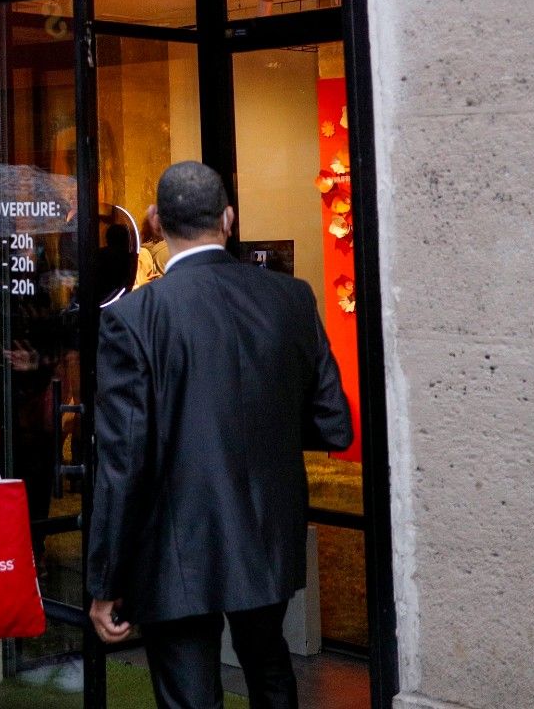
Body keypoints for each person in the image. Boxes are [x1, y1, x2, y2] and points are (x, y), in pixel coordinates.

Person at [88, 162, 353, 709]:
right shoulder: (292, 298)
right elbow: (335, 423)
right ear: (228, 219)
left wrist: (106, 579)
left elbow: (123, 461)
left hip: (174, 543)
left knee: (191, 698)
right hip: (267, 529)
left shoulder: (135, 316)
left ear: (155, 222)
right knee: (270, 669)